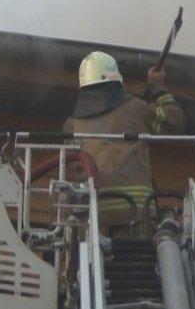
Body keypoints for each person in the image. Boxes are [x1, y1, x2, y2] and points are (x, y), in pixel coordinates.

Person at [63, 51, 186, 235]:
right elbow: (175, 121)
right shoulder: (135, 109)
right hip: (135, 214)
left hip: (92, 218)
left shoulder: (71, 124)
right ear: (115, 77)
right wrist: (157, 88)